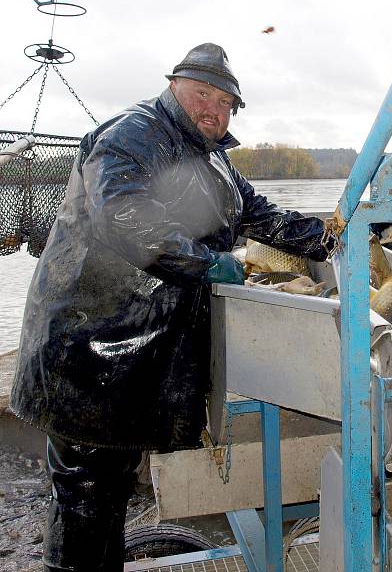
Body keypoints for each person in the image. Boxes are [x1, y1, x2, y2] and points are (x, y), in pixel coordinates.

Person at [10, 43, 331, 571]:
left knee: (107, 489)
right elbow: (126, 218)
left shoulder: (214, 158)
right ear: (173, 88)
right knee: (85, 491)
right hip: (91, 349)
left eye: (226, 102)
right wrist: (210, 264)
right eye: (202, 94)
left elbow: (264, 217)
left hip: (136, 354)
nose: (214, 110)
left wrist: (332, 239)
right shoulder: (130, 136)